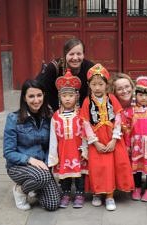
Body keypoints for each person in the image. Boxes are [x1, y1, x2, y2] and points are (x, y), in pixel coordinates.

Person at [80, 64, 134, 211]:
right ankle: (97, 192)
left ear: (106, 85)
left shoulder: (112, 99)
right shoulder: (86, 101)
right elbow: (85, 122)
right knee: (97, 167)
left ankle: (110, 196)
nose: (97, 88)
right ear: (89, 85)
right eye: (94, 84)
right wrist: (94, 142)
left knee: (111, 167)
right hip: (96, 139)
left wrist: (115, 139)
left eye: (101, 84)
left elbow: (118, 117)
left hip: (112, 138)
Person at [3, 79, 60, 211]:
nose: (36, 100)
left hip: (41, 166)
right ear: (24, 98)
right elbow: (8, 152)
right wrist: (30, 160)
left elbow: (50, 146)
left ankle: (36, 186)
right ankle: (21, 190)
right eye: (31, 96)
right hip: (19, 166)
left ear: (44, 96)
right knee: (42, 177)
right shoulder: (13, 119)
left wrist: (47, 162)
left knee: (53, 204)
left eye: (39, 95)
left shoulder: (49, 117)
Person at [48, 69, 88, 209]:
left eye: (71, 95)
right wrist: (53, 155)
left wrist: (85, 149)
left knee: (79, 174)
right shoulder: (56, 117)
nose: (67, 99)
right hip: (63, 151)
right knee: (64, 175)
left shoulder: (81, 115)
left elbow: (85, 133)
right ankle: (65, 194)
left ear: (76, 97)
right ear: (60, 97)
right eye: (64, 95)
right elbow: (53, 138)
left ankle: (79, 194)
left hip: (77, 150)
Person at [36, 38, 94, 111]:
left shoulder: (90, 69)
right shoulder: (53, 68)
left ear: (83, 54)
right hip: (56, 110)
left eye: (79, 54)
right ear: (65, 55)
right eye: (71, 54)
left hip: (82, 110)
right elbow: (46, 93)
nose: (75, 58)